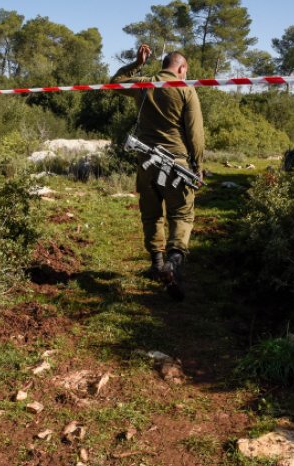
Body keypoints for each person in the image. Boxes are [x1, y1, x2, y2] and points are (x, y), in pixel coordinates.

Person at [111, 44, 205, 300]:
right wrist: (198, 166)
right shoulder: (185, 89)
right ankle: (172, 264)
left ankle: (157, 264)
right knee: (182, 215)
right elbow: (195, 134)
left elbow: (115, 83)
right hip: (176, 164)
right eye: (186, 71)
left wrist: (136, 64)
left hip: (146, 164)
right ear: (182, 68)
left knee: (151, 214)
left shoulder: (144, 84)